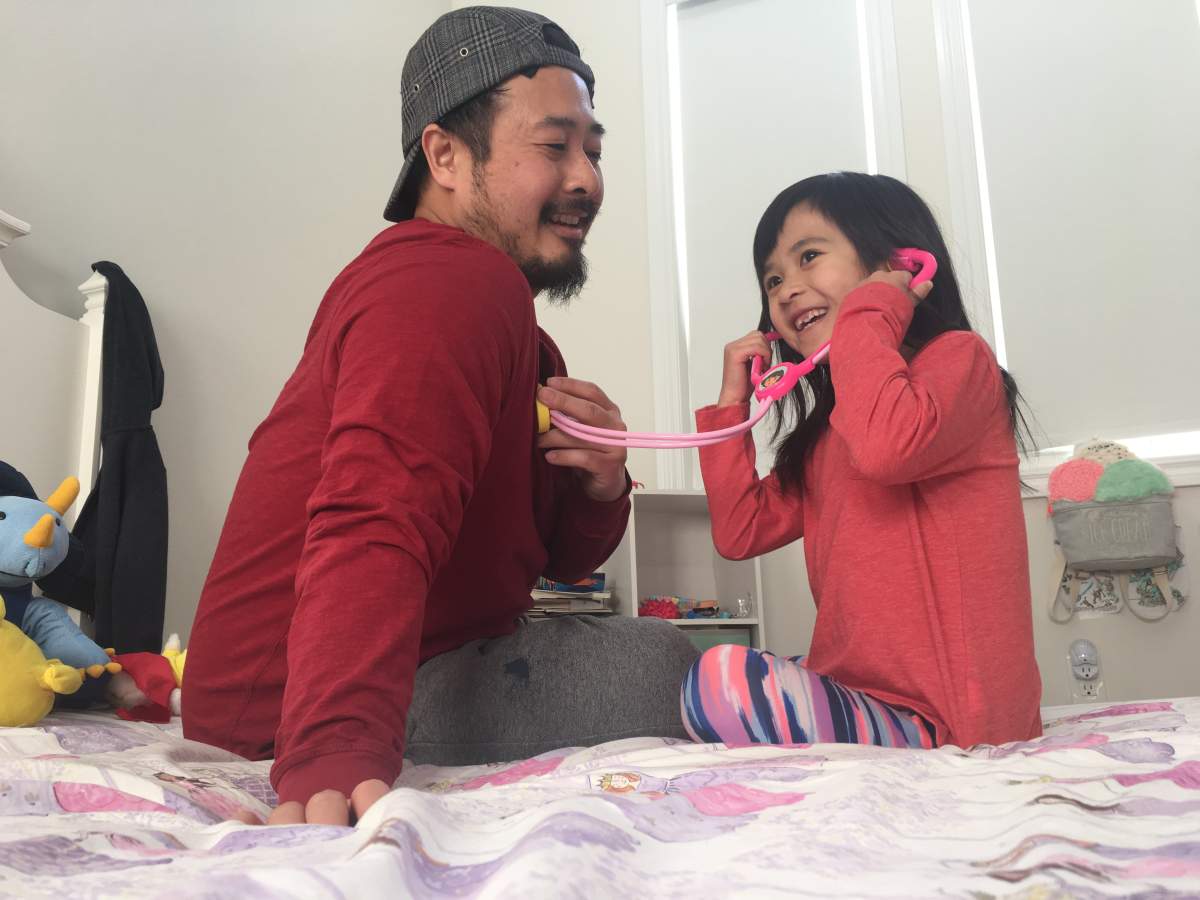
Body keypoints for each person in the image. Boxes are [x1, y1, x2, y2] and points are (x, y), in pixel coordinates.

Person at [184, 6, 697, 826]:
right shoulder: (446, 282)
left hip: (410, 661)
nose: (586, 179)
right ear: (446, 156)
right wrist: (333, 744)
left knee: (651, 659)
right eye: (554, 145)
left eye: (594, 151)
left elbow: (555, 559)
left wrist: (598, 486)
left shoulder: (523, 340)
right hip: (288, 706)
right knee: (661, 664)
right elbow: (374, 511)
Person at [680, 172, 1042, 751]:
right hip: (870, 693)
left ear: (898, 264)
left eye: (809, 257)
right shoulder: (830, 433)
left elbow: (887, 447)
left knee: (722, 681)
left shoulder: (961, 362)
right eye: (773, 279)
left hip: (955, 721)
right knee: (711, 679)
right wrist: (730, 406)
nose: (786, 290)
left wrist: (873, 310)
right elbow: (740, 531)